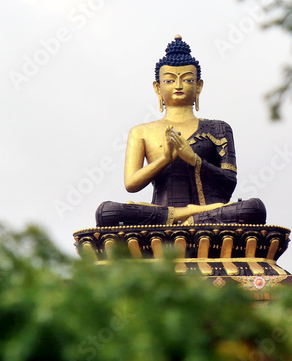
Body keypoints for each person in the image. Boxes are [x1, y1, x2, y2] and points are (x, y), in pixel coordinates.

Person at [95, 36, 267, 227]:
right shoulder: (141, 132)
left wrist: (193, 159)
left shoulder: (219, 128)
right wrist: (165, 159)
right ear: (157, 88)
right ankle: (193, 213)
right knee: (107, 212)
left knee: (254, 209)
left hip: (209, 214)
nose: (178, 86)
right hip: (164, 211)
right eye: (169, 80)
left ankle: (194, 217)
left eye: (187, 79)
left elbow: (228, 182)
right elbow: (131, 184)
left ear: (198, 86)